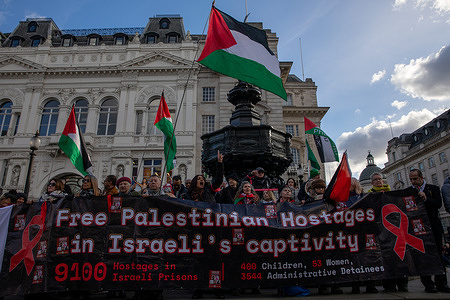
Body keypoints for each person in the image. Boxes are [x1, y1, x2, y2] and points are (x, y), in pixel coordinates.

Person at [406, 169, 450, 293]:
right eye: (411, 179)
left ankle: (442, 283)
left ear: (421, 177)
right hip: (417, 229)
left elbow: (438, 204)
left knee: (438, 256)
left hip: (433, 226)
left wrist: (426, 199)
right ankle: (428, 284)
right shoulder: (409, 192)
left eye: (415, 179)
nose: (413, 182)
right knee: (422, 256)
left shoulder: (433, 189)